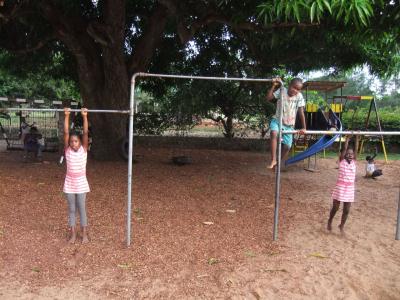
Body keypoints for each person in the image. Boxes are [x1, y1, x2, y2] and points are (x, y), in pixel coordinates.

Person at [63, 107, 90, 244]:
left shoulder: (83, 150)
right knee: (72, 209)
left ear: (80, 142)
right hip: (69, 183)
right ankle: (73, 233)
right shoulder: (67, 150)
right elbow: (66, 132)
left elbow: (85, 132)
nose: (73, 143)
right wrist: (67, 116)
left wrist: (85, 116)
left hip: (81, 183)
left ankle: (84, 233)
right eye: (71, 141)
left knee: (81, 208)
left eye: (76, 141)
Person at [266, 77, 306, 168]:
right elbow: (268, 98)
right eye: (294, 87)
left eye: (298, 89)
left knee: (287, 146)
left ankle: (277, 162)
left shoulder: (299, 96)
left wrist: (304, 127)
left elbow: (301, 112)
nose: (295, 90)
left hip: (289, 125)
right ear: (289, 85)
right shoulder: (282, 90)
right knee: (274, 132)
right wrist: (273, 86)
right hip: (277, 120)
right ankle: (273, 159)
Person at [328, 137, 356, 234]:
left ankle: (341, 225)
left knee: (347, 209)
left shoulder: (354, 162)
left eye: (351, 154)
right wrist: (347, 141)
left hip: (350, 189)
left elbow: (356, 148)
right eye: (348, 154)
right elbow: (344, 150)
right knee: (335, 207)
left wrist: (356, 137)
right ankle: (330, 220)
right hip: (340, 187)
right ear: (343, 155)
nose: (349, 155)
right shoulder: (342, 161)